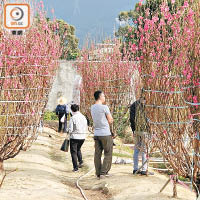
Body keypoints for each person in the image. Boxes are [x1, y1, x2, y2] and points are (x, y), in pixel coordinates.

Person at [91, 90, 114, 179]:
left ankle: (98, 172)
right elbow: (110, 119)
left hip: (96, 133)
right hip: (105, 133)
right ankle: (103, 173)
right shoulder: (104, 107)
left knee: (97, 153)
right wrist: (111, 121)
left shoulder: (92, 107)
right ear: (100, 97)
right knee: (108, 153)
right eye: (103, 96)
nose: (104, 97)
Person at [130, 96, 149, 175]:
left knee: (136, 149)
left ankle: (135, 169)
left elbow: (131, 118)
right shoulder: (148, 105)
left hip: (137, 130)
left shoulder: (134, 104)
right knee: (144, 150)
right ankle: (144, 170)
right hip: (145, 130)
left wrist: (133, 129)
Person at [68, 104, 88, 172]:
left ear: (72, 110)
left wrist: (68, 133)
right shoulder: (83, 117)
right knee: (78, 149)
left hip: (75, 136)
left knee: (73, 152)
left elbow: (70, 129)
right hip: (83, 136)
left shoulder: (73, 118)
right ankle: (81, 161)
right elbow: (86, 126)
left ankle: (75, 168)